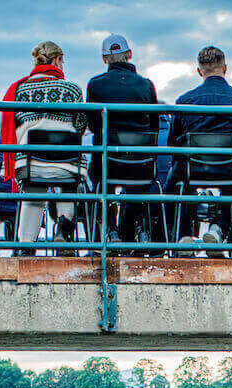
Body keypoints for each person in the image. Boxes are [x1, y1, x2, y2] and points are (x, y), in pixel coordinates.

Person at [167, 46, 232, 247]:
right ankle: (220, 228)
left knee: (175, 182)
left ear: (200, 71)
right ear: (225, 69)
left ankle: (183, 235)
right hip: (231, 171)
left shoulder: (184, 102)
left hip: (193, 170)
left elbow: (173, 143)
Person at [2, 41, 88, 245]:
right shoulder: (72, 90)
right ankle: (63, 227)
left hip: (31, 162)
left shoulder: (19, 90)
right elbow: (80, 124)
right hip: (67, 164)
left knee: (33, 192)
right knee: (69, 184)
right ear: (58, 60)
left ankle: (25, 244)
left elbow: (13, 126)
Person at [86, 34, 160, 246]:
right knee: (139, 179)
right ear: (129, 55)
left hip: (108, 163)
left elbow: (93, 125)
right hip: (140, 164)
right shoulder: (147, 85)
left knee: (101, 178)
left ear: (104, 58)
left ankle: (109, 229)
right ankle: (139, 227)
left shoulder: (95, 85)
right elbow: (154, 127)